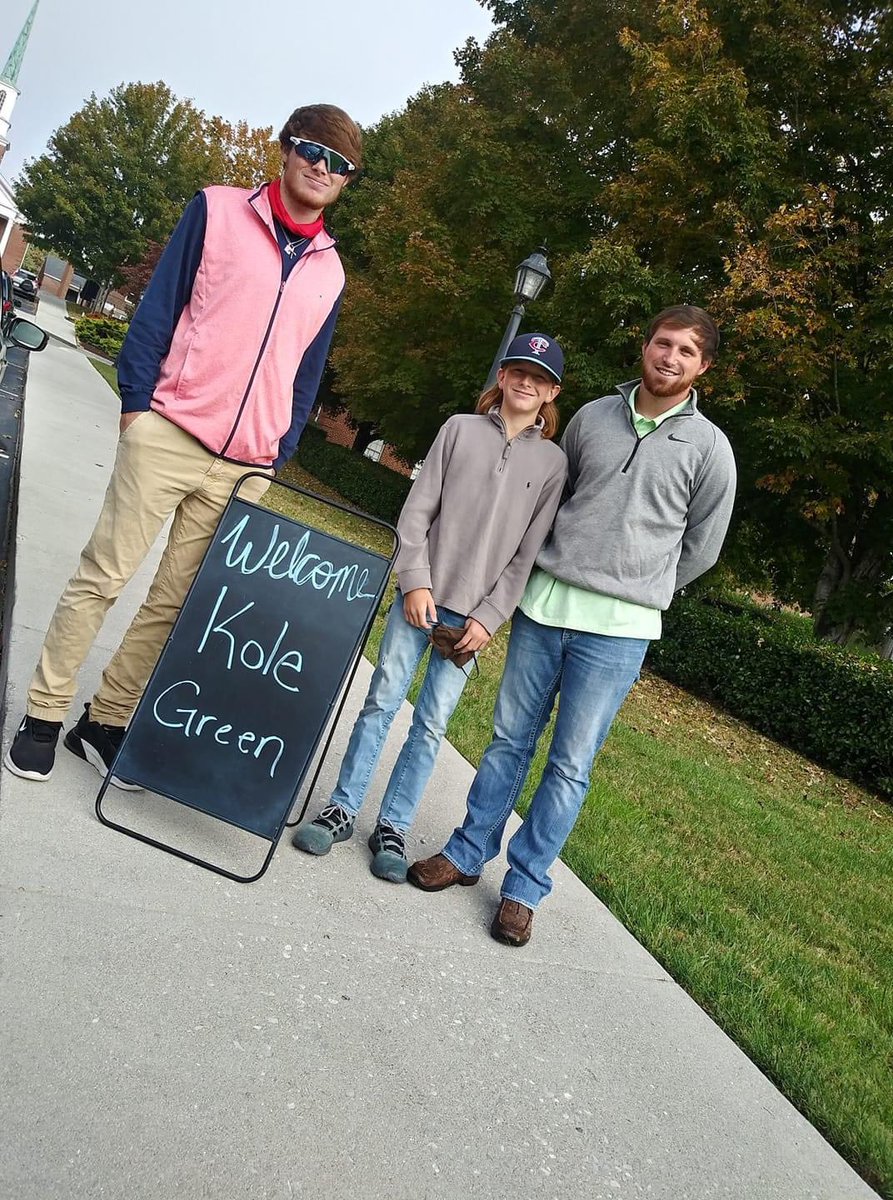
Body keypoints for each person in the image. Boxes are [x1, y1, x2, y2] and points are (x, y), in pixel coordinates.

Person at [4, 104, 362, 784]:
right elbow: (159, 308)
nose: (322, 167)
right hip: (168, 432)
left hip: (244, 467)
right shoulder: (218, 211)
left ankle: (103, 722)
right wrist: (138, 407)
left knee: (175, 604)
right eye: (312, 150)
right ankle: (43, 716)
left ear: (346, 181)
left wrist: (277, 450)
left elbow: (305, 374)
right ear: (286, 151)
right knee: (102, 577)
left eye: (339, 163)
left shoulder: (330, 272)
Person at [408, 305, 737, 947]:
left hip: (618, 630)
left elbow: (704, 546)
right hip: (545, 608)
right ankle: (468, 852)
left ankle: (524, 889)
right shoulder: (592, 419)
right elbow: (558, 500)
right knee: (508, 741)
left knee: (570, 765)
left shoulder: (711, 449)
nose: (670, 358)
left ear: (704, 368)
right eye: (662, 344)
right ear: (646, 347)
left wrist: (646, 585)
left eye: (686, 352)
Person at [293, 333, 569, 883]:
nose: (525, 382)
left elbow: (525, 558)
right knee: (382, 700)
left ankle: (393, 825)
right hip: (417, 601)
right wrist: (414, 581)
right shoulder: (458, 430)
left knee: (432, 723)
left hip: (469, 623)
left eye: (538, 378)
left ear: (551, 392)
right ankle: (342, 807)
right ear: (502, 376)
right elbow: (416, 513)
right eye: (517, 370)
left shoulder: (553, 464)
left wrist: (488, 620)